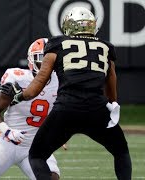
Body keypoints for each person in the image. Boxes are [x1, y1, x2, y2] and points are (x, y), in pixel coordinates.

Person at [11, 7, 132, 180]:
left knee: (37, 156)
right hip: (96, 109)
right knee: (121, 152)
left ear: (68, 25)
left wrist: (20, 96)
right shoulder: (105, 47)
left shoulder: (56, 44)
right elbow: (111, 85)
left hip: (66, 109)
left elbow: (38, 84)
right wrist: (111, 105)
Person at [0, 38, 60, 180]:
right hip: (9, 142)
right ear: (31, 60)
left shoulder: (60, 81)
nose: (45, 64)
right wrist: (7, 131)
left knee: (52, 177)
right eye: (41, 59)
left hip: (37, 146)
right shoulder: (18, 78)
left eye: (49, 59)